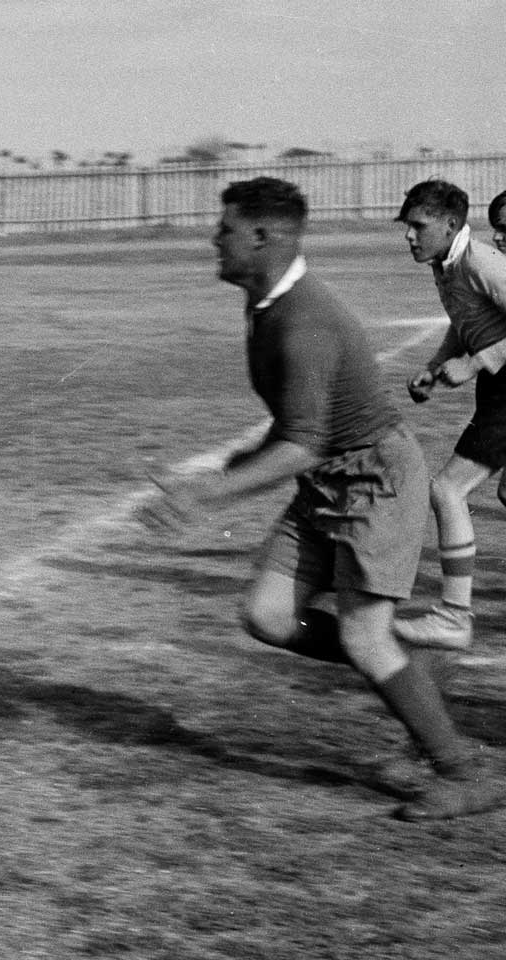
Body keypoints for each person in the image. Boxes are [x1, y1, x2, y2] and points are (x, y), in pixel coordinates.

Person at [139, 176, 503, 821]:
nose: (213, 240)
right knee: (268, 616)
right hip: (328, 479)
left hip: (376, 481)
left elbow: (302, 444)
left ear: (261, 235)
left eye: (223, 229)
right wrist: (232, 467)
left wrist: (212, 493)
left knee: (365, 638)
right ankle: (414, 664)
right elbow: (296, 431)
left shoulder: (303, 320)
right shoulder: (266, 304)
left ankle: (463, 771)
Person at [391, 179, 506, 650]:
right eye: (407, 227)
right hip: (498, 385)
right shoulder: (449, 263)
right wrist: (435, 369)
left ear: (450, 224)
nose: (409, 236)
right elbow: (466, 327)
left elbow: (480, 343)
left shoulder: (479, 262)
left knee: (447, 488)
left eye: (418, 226)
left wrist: (477, 361)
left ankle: (454, 614)